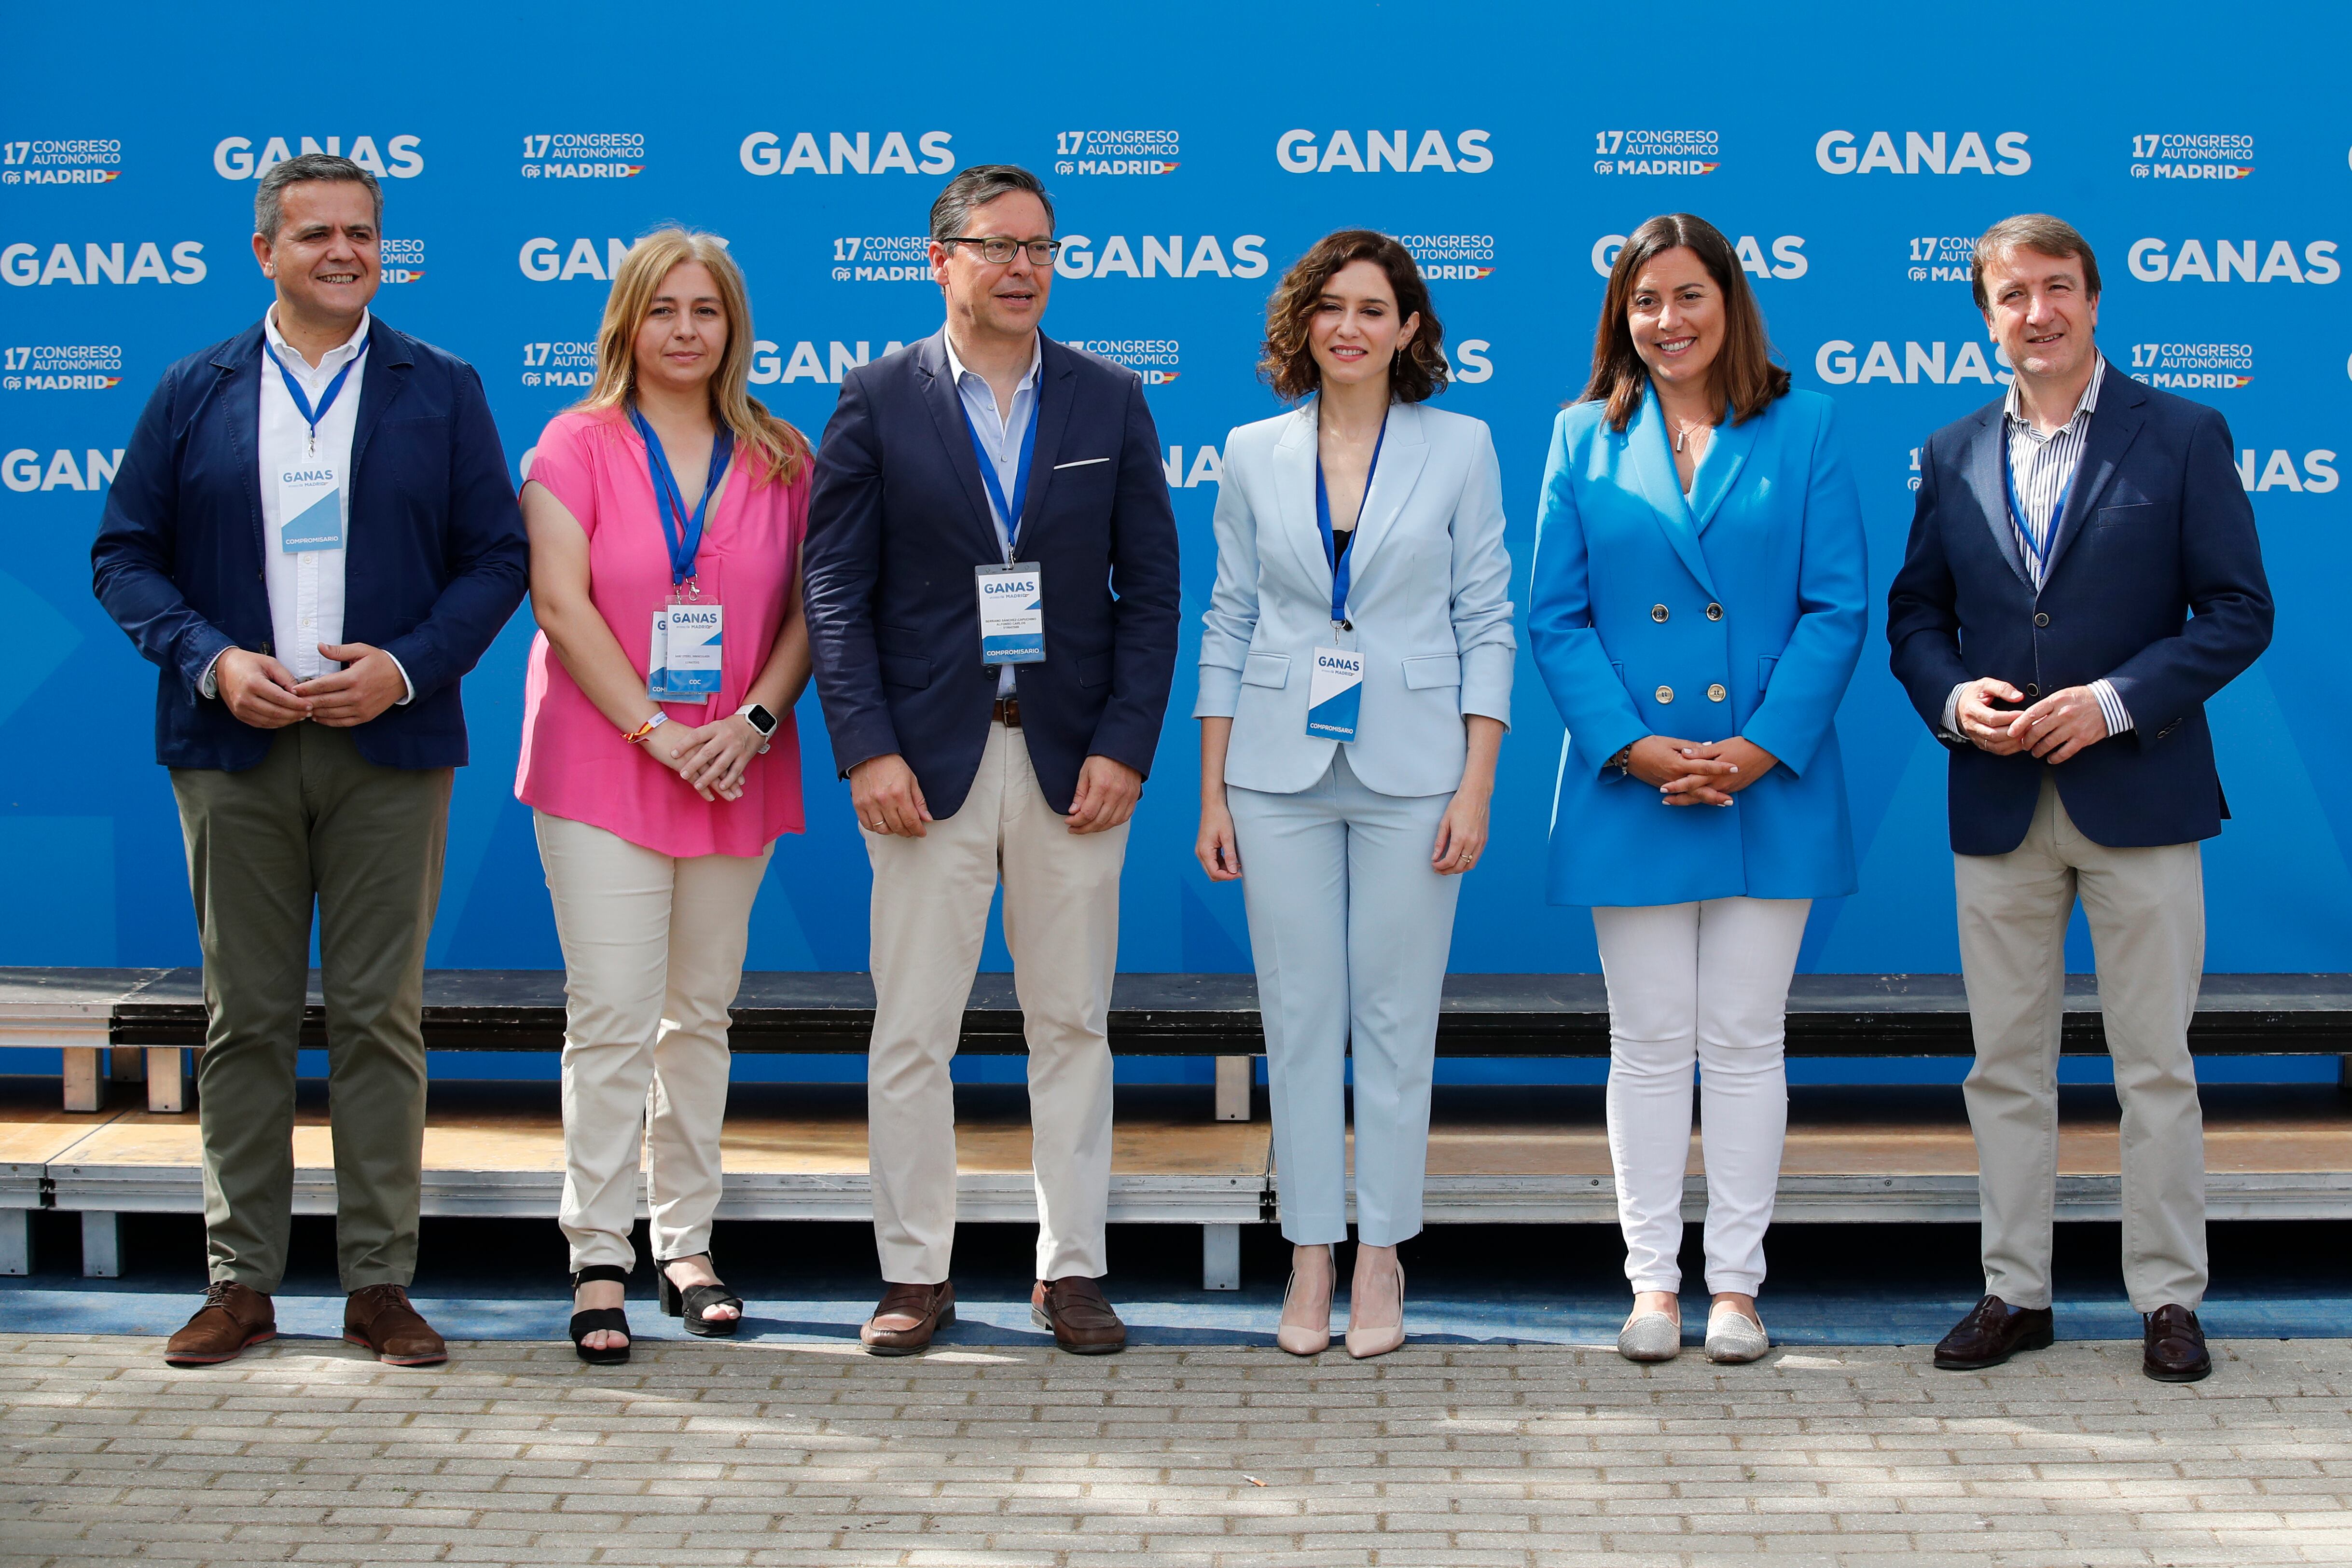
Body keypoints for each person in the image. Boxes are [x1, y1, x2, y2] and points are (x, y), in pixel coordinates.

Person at [90, 153, 528, 1368]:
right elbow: (125, 557)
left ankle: (379, 1282)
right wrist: (213, 661)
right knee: (247, 1019)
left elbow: (497, 560)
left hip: (388, 745)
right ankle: (241, 1281)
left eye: (363, 232)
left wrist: (404, 666)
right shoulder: (195, 389)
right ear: (266, 253)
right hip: (233, 747)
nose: (344, 250)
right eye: (316, 233)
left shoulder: (442, 388)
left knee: (382, 1018)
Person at [1887, 214, 2272, 1384]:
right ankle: (2017, 1289)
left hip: (2139, 790)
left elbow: (2237, 610)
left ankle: (2167, 1298)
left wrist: (2111, 701)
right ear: (1986, 316)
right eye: (2012, 295)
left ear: (2095, 301)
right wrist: (1959, 702)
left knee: (2152, 1059)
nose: (2036, 312)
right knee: (2004, 1060)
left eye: (2056, 288)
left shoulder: (2185, 433)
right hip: (1998, 799)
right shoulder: (1950, 450)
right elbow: (1915, 619)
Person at [804, 165, 1181, 1356]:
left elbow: (1153, 594)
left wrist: (1126, 743)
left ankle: (1070, 1267)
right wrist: (865, 749)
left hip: (1074, 767)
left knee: (1070, 1024)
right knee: (913, 1030)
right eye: (995, 245)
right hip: (924, 767)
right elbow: (834, 592)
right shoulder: (873, 399)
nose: (1022, 267)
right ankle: (915, 1272)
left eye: (1041, 247)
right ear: (941, 259)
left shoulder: (1109, 399)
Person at [1528, 213, 1868, 1365]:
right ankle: (1649, 1285)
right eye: (1642, 301)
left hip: (1767, 781)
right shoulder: (1581, 435)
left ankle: (1734, 1285)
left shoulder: (1805, 424)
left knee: (1742, 1036)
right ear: (1619, 315)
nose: (1664, 321)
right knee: (1647, 1039)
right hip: (1633, 783)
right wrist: (1631, 745)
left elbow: (1838, 606)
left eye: (1686, 296)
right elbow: (1555, 617)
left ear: (1729, 301)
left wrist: (1761, 745)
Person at [1194, 231, 1511, 1359]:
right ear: (1302, 323)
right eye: (1330, 307)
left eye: (1374, 309)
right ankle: (1310, 1253)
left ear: (1410, 329)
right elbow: (1228, 617)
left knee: (1393, 1016)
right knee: (1298, 1015)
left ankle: (1382, 1253)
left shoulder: (1461, 446)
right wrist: (1212, 791)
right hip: (1274, 770)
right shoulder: (1250, 449)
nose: (1350, 328)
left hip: (1417, 769)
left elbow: (1486, 618)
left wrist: (1476, 782)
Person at [516, 228, 815, 1363]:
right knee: (612, 1014)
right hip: (606, 761)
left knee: (702, 1016)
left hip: (733, 761)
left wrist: (745, 725)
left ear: (733, 328)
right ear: (626, 324)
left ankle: (686, 1239)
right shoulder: (575, 444)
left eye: (707, 312)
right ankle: (599, 1249)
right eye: (664, 310)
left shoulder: (782, 455)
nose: (686, 331)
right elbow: (561, 603)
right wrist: (656, 728)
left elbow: (806, 615)